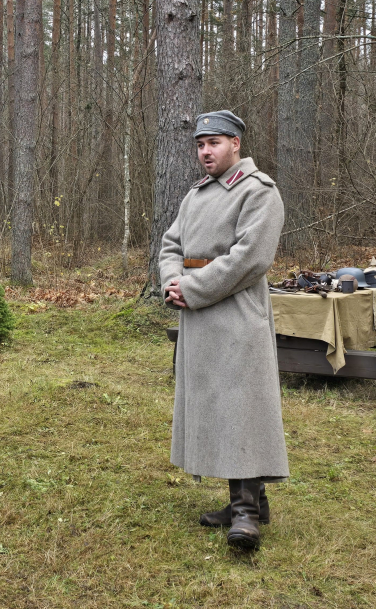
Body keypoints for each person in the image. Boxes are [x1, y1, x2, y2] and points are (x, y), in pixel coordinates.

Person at [159, 110, 289, 551]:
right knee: (215, 406)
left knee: (241, 407)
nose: (205, 152)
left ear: (236, 143)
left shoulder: (259, 192)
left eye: (213, 142)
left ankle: (246, 514)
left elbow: (250, 258)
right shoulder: (195, 196)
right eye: (200, 145)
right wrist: (170, 284)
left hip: (237, 314)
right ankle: (249, 502)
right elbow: (171, 245)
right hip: (197, 315)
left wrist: (191, 288)